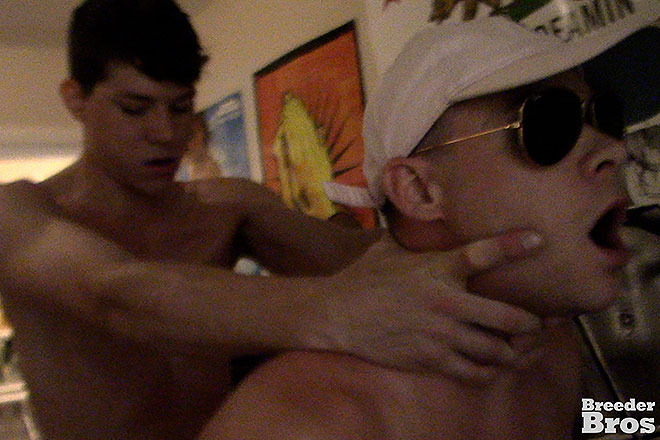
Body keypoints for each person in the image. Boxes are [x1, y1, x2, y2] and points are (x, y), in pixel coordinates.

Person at [0, 1, 547, 439]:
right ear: (75, 99)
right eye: (134, 108)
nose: (166, 133)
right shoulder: (19, 212)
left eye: (181, 106)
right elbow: (116, 292)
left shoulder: (227, 207)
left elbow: (386, 265)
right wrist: (342, 311)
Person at [198, 15, 652, 440]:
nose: (614, 150)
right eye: (550, 123)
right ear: (418, 190)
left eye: (605, 117)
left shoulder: (550, 340)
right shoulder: (301, 420)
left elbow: (611, 420)